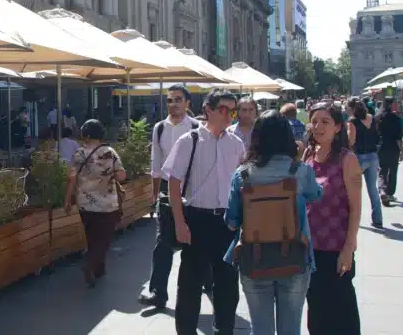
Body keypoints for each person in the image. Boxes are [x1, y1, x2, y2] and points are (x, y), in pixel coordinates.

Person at [225, 111, 322, 335]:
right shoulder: (300, 171)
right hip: (295, 257)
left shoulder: (243, 175)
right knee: (291, 328)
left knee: (261, 329)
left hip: (254, 259)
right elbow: (316, 194)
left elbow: (231, 222)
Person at [162, 88, 244, 335]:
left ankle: (224, 330)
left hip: (227, 221)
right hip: (196, 218)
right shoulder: (189, 140)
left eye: (233, 111)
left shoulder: (236, 144)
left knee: (227, 284)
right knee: (190, 283)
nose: (229, 115)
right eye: (224, 109)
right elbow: (173, 183)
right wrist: (180, 223)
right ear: (209, 110)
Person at [304, 102, 363, 334]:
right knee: (316, 311)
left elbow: (356, 208)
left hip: (336, 248)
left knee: (341, 311)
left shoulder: (347, 159)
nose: (318, 127)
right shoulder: (308, 155)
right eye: (314, 121)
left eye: (325, 122)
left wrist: (349, 248)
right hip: (310, 248)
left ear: (338, 127)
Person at [138, 85, 199, 310]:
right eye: (170, 100)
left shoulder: (196, 127)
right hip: (166, 188)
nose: (173, 104)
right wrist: (154, 194)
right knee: (162, 242)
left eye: (178, 99)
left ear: (187, 103)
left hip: (191, 187)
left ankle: (202, 284)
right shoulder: (160, 128)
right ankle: (158, 293)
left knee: (195, 241)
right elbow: (156, 164)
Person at [64, 119, 126, 286]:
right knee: (104, 238)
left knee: (92, 236)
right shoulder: (110, 152)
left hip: (85, 203)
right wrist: (111, 173)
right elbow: (121, 176)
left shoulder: (79, 154)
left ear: (85, 135)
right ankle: (91, 265)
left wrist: (67, 200)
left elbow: (71, 178)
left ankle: (99, 268)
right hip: (107, 204)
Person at [347, 98, 383, 228]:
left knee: (353, 190)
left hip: (358, 157)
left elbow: (351, 141)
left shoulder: (352, 121)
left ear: (351, 108)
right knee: (372, 189)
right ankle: (378, 219)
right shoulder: (371, 118)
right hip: (373, 156)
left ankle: (352, 218)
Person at [375, 97, 403, 206]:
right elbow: (398, 137)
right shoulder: (395, 118)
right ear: (392, 105)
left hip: (381, 147)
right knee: (393, 171)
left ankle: (382, 190)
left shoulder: (377, 117)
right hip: (393, 148)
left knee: (382, 171)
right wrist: (402, 150)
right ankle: (390, 193)